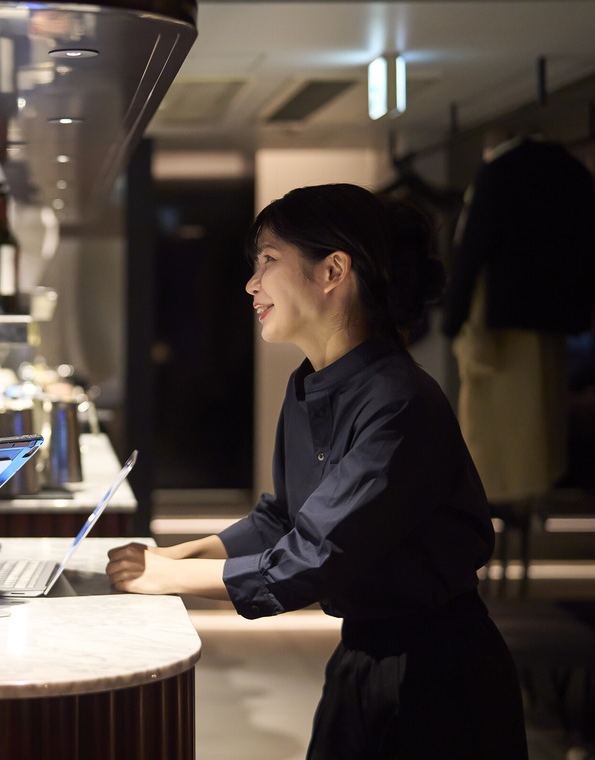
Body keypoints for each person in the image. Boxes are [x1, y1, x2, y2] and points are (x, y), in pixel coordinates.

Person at [107, 183, 528, 758]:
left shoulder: (399, 402)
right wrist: (171, 557)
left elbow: (315, 555)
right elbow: (283, 519)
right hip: (359, 658)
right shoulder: (308, 383)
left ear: (333, 271)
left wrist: (166, 578)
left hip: (438, 678)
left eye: (268, 260)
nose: (252, 283)